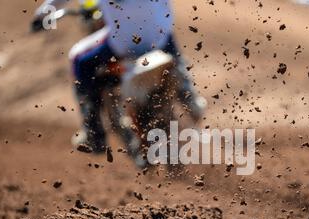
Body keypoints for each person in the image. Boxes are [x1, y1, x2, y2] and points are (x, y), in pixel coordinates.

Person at [32, 0, 206, 163]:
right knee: (167, 40)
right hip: (159, 40)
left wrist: (42, 15)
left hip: (122, 44)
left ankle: (93, 133)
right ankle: (190, 97)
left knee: (78, 59)